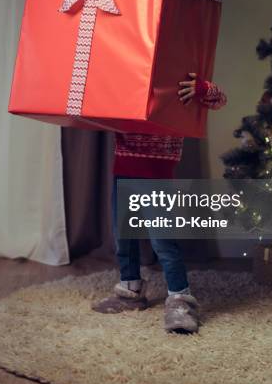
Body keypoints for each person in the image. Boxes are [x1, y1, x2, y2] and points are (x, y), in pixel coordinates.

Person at [92, 73, 227, 333]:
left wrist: (200, 88)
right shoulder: (126, 77)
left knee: (163, 240)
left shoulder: (178, 79)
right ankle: (130, 290)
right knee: (123, 237)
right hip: (124, 169)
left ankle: (179, 299)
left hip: (158, 174)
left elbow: (219, 99)